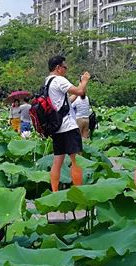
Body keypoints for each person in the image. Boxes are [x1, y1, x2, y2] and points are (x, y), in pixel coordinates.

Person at [44, 55, 90, 193]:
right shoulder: (59, 79)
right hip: (68, 126)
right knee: (76, 160)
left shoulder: (47, 82)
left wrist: (80, 85)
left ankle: (55, 192)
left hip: (57, 127)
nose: (66, 69)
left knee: (57, 161)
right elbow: (80, 91)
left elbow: (67, 101)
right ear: (58, 68)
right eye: (65, 67)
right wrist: (84, 81)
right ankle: (78, 192)